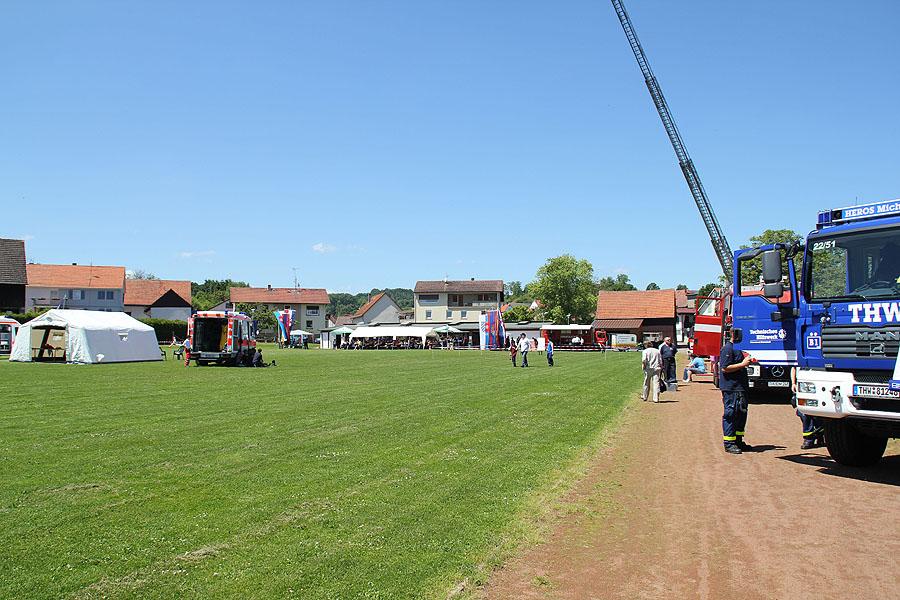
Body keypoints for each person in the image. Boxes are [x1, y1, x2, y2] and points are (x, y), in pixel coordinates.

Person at [719, 328, 753, 454]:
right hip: (731, 388)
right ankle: (729, 443)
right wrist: (743, 364)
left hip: (740, 388)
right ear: (733, 334)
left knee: (741, 415)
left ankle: (738, 441)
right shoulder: (727, 349)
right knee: (731, 414)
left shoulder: (739, 348)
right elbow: (725, 368)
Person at [791, 367, 824, 450]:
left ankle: (818, 435)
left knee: (818, 412)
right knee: (803, 413)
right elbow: (794, 368)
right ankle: (809, 438)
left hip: (816, 386)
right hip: (803, 386)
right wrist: (793, 383)